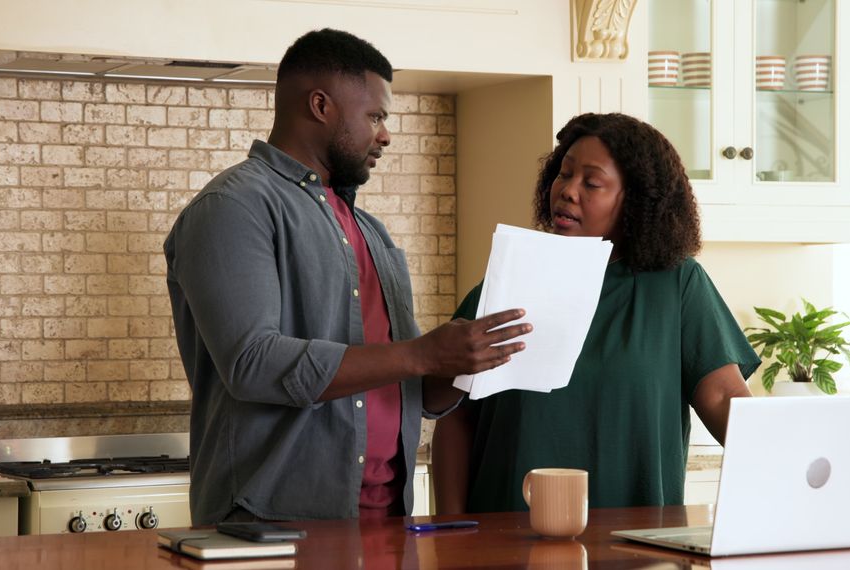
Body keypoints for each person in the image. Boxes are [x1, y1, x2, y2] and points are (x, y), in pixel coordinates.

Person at [164, 29, 531, 524]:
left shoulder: (370, 231)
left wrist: (468, 363)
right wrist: (422, 353)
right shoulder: (233, 207)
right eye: (375, 116)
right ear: (321, 105)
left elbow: (407, 384)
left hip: (386, 522)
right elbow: (252, 363)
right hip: (270, 526)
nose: (385, 134)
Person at [432, 112, 761, 514]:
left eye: (591, 182)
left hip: (637, 544)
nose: (568, 191)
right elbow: (455, 417)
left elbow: (723, 394)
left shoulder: (678, 285)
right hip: (503, 541)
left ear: (636, 201)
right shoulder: (511, 277)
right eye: (563, 174)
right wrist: (450, 532)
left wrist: (794, 464)